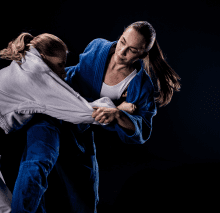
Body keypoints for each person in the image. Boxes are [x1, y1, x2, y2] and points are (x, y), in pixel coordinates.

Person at [0, 31, 135, 213]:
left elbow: (69, 100)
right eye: (61, 65)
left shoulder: (27, 64)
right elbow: (81, 112)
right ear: (44, 57)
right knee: (3, 208)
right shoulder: (36, 75)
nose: (64, 72)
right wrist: (117, 109)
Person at [11, 21, 181, 213]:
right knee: (37, 164)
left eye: (132, 50)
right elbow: (73, 75)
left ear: (143, 54)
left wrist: (117, 114)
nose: (121, 51)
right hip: (52, 114)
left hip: (79, 131)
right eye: (122, 41)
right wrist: (114, 105)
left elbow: (141, 130)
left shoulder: (140, 85)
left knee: (86, 194)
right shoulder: (98, 47)